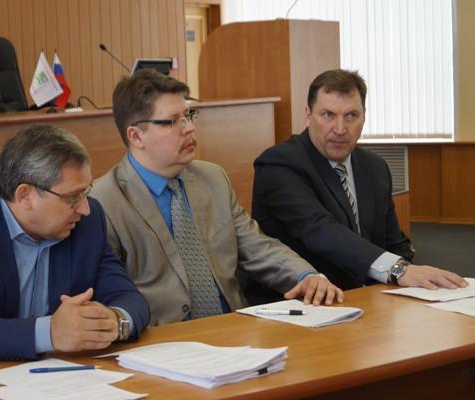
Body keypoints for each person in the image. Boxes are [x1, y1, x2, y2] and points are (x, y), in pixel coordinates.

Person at [90, 69, 343, 326]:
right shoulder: (103, 201)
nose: (190, 128)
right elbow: (110, 294)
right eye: (173, 121)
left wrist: (305, 276)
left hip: (234, 327)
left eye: (189, 115)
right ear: (136, 136)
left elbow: (256, 246)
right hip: (163, 338)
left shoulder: (212, 178)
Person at [0, 124, 150, 365]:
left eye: (85, 192)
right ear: (25, 196)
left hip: (60, 374)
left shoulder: (87, 222)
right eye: (73, 197)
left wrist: (113, 321)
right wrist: (50, 332)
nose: (85, 208)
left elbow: (129, 298)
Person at [252, 69, 468, 290]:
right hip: (302, 300)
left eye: (351, 116)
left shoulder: (374, 167)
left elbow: (395, 243)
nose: (340, 129)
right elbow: (320, 230)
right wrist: (398, 270)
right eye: (328, 115)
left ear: (364, 116)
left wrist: (416, 285)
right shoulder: (279, 164)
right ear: (308, 115)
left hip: (370, 298)